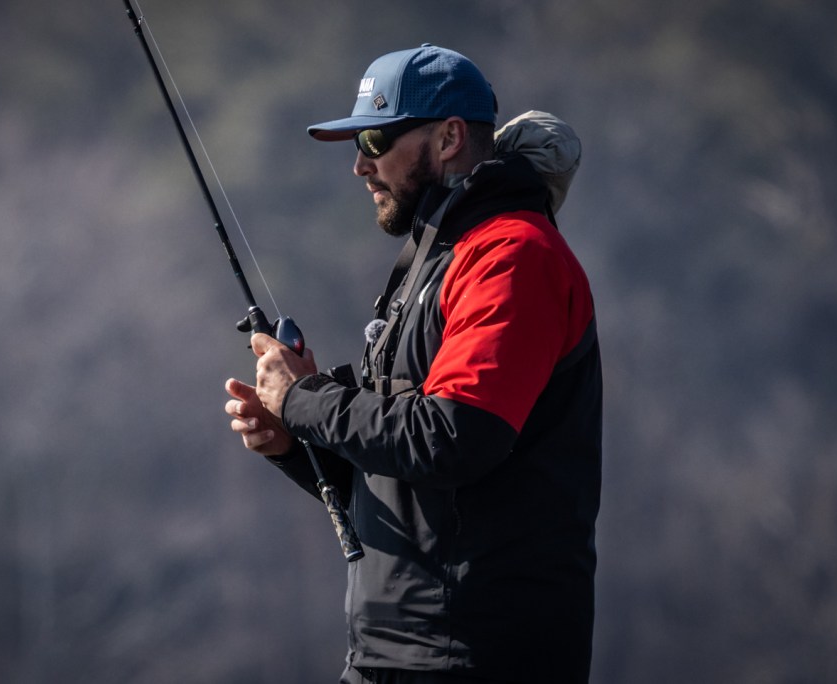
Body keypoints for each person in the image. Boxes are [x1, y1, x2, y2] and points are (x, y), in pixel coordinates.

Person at [224, 44, 602, 684]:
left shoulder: (512, 257)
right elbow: (406, 484)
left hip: (475, 659)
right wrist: (294, 440)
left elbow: (452, 439)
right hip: (392, 657)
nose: (360, 165)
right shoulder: (440, 260)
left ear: (449, 137)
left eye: (374, 140)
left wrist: (304, 399)